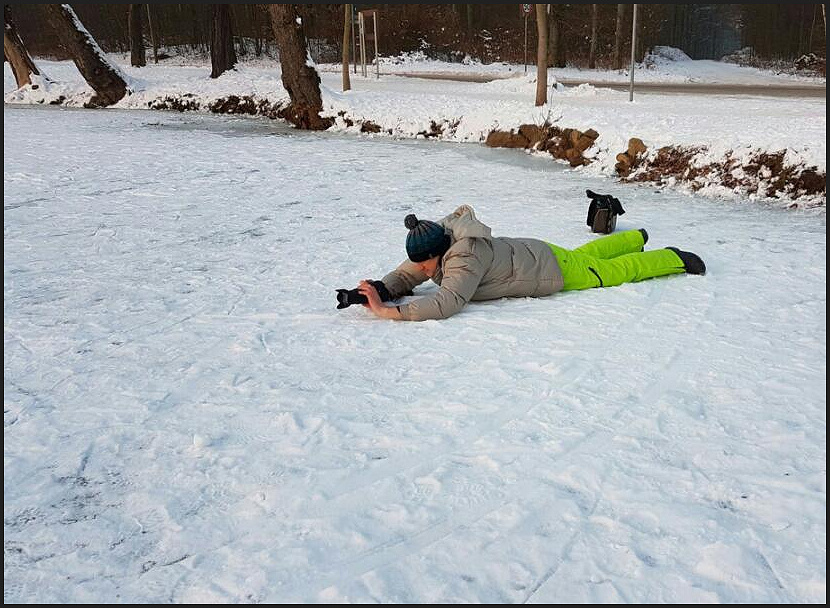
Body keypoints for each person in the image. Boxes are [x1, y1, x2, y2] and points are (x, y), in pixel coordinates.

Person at [351, 205, 705, 321]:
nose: (424, 272)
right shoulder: (442, 242)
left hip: (548, 270)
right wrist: (381, 289)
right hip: (536, 252)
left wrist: (388, 312)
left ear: (437, 254)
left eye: (426, 266)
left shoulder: (463, 257)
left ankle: (673, 258)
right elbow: (407, 273)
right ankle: (634, 238)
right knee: (586, 256)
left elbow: (448, 301)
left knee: (608, 273)